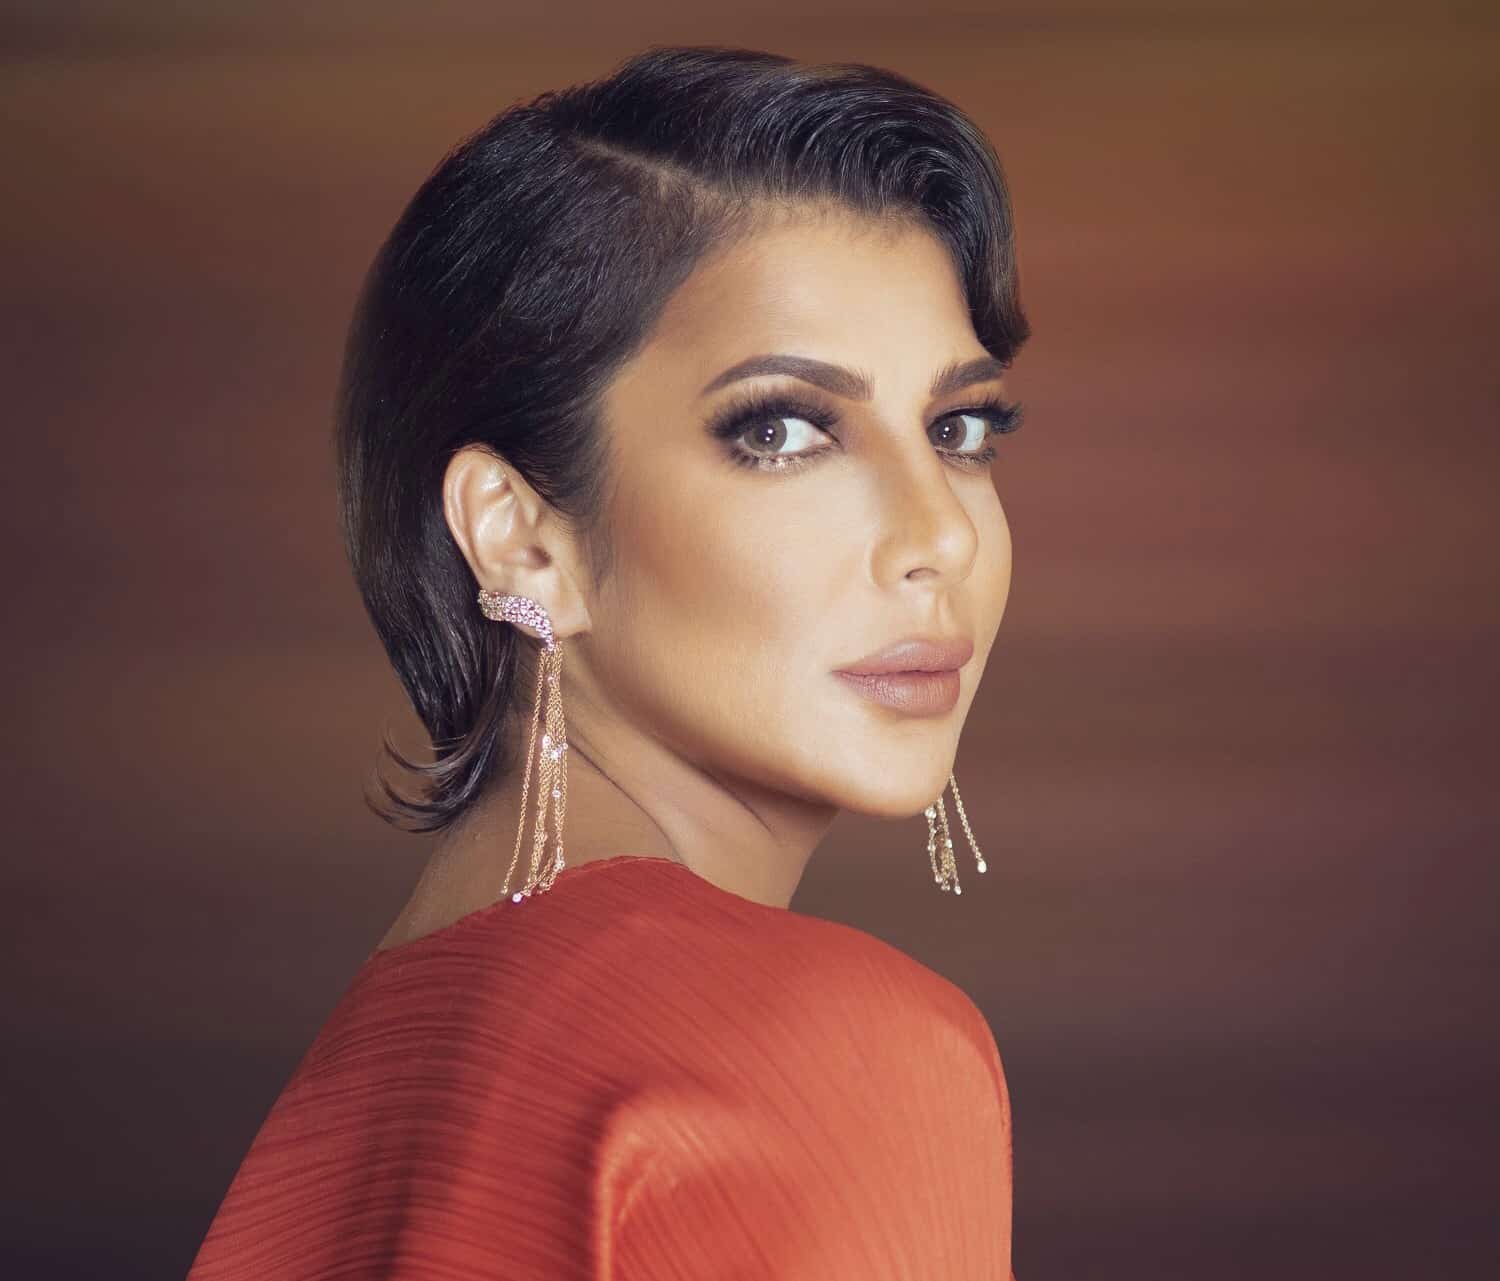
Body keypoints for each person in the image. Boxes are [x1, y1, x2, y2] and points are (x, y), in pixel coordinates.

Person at [188, 41, 1031, 1280]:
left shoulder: (366, 1088)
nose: (941, 535)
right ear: (523, 537)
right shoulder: (825, 1050)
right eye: (782, 431)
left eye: (958, 428)